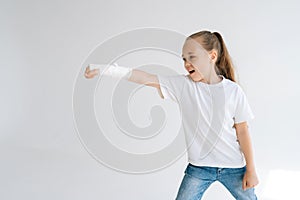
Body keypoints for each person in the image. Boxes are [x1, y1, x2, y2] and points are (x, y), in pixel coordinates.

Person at [84, 30, 259, 200]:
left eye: (192, 57)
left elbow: (242, 131)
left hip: (233, 167)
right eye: (184, 58)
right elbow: (145, 77)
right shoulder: (184, 86)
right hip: (199, 169)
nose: (186, 63)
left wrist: (250, 169)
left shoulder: (233, 91)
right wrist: (105, 70)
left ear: (212, 56)